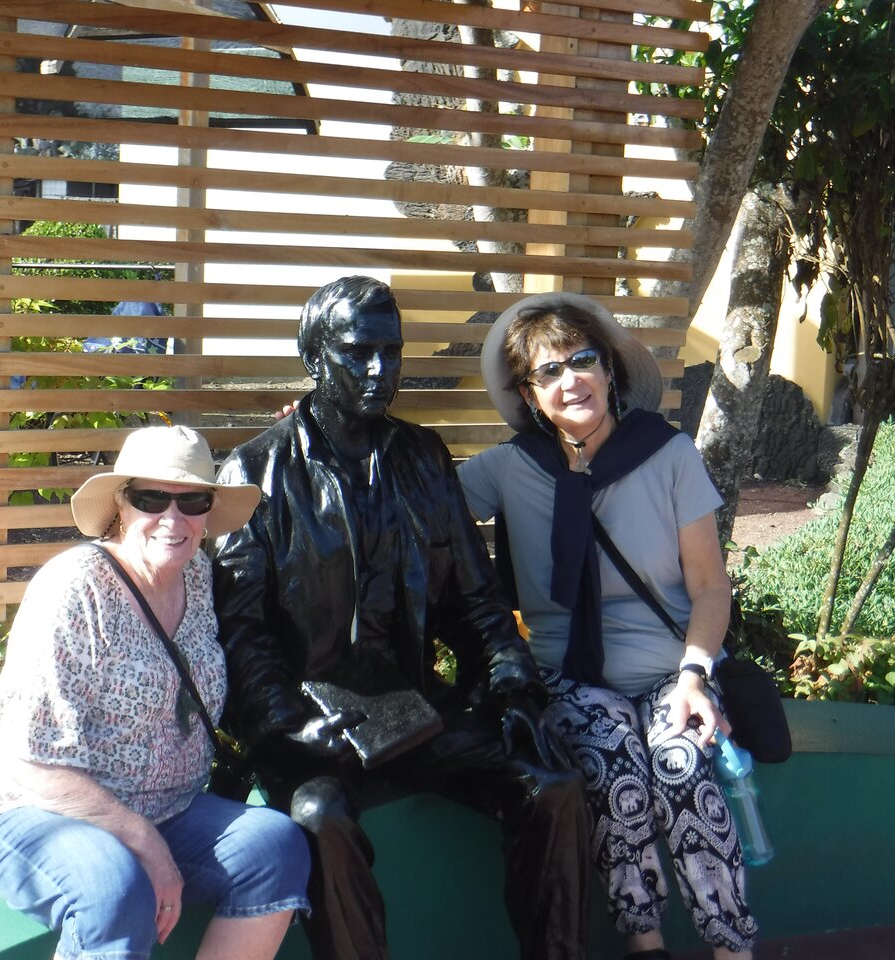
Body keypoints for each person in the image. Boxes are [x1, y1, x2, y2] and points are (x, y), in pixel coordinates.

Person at [211, 276, 591, 960]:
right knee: (320, 819)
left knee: (553, 784)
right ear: (314, 355)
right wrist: (289, 726)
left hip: (415, 711)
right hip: (312, 727)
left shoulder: (423, 458)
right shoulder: (255, 473)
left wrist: (514, 689)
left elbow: (477, 601)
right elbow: (242, 633)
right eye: (359, 352)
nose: (379, 370)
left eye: (391, 351)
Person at [457, 291, 758, 960]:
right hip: (571, 677)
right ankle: (645, 945)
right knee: (610, 768)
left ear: (609, 371)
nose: (570, 380)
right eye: (549, 371)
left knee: (681, 767)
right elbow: (416, 502)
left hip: (672, 670)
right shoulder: (509, 467)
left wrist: (694, 677)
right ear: (531, 395)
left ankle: (732, 949)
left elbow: (710, 587)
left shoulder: (668, 454)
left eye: (582, 360)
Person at [0, 425, 311, 960]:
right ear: (122, 504)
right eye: (152, 499)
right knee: (113, 890)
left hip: (164, 806)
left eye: (192, 500)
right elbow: (33, 760)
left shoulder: (199, 577)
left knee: (276, 847)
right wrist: (144, 842)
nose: (173, 518)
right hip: (32, 805)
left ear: (209, 511)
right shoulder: (75, 589)